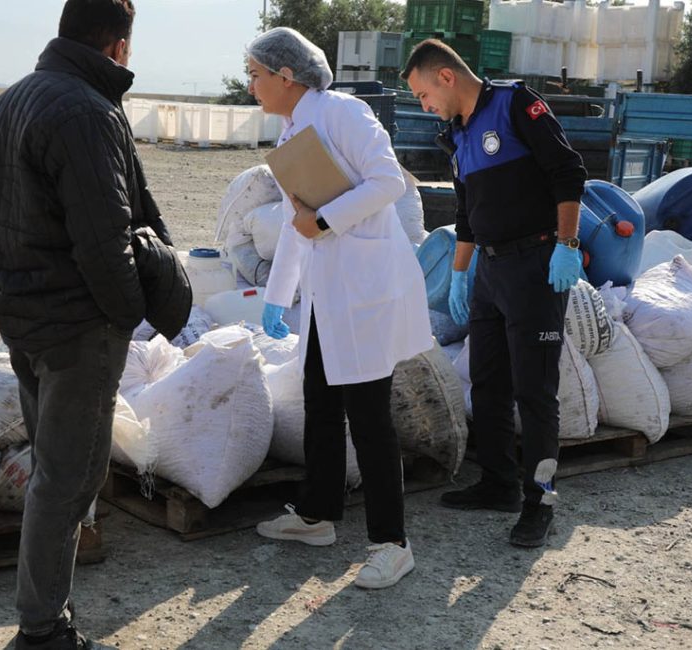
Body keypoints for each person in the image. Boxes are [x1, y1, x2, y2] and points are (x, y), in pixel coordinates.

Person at [0, 1, 177, 648]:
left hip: (23, 313)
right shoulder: (86, 112)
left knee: (56, 470)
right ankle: (42, 629)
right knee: (69, 476)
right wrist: (125, 317)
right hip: (75, 326)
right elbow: (104, 240)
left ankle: (43, 616)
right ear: (118, 46)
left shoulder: (12, 101)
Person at [248, 27, 433, 590]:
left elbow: (386, 183)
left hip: (365, 290)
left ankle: (391, 543)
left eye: (256, 74)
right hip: (330, 295)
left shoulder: (344, 113)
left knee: (370, 418)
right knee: (321, 404)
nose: (250, 84)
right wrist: (278, 297)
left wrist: (326, 221)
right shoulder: (291, 127)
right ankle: (317, 515)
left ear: (287, 75)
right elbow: (293, 221)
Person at [401, 40, 587, 548]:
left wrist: (568, 244)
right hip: (489, 271)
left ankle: (539, 500)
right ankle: (499, 483)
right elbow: (466, 216)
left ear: (445, 77)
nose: (424, 105)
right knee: (487, 384)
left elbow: (568, 171)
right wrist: (461, 275)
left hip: (537, 266)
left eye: (421, 94)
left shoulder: (514, 104)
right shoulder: (458, 137)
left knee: (534, 392)